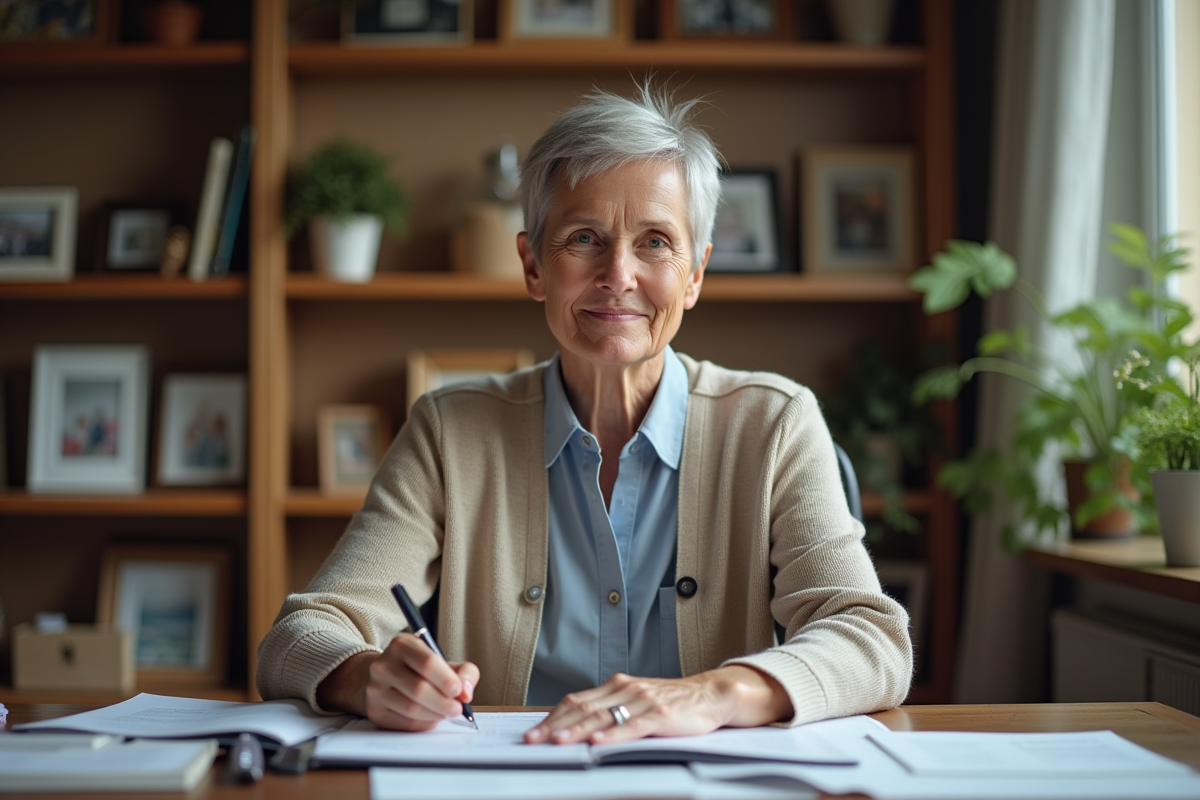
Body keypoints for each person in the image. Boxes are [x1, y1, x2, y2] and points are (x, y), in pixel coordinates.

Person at [257, 82, 912, 745]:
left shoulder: (776, 424)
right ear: (533, 265)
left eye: (655, 242)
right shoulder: (448, 431)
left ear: (695, 275)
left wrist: (711, 694)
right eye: (583, 238)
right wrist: (367, 676)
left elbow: (871, 639)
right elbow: (300, 637)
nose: (618, 274)